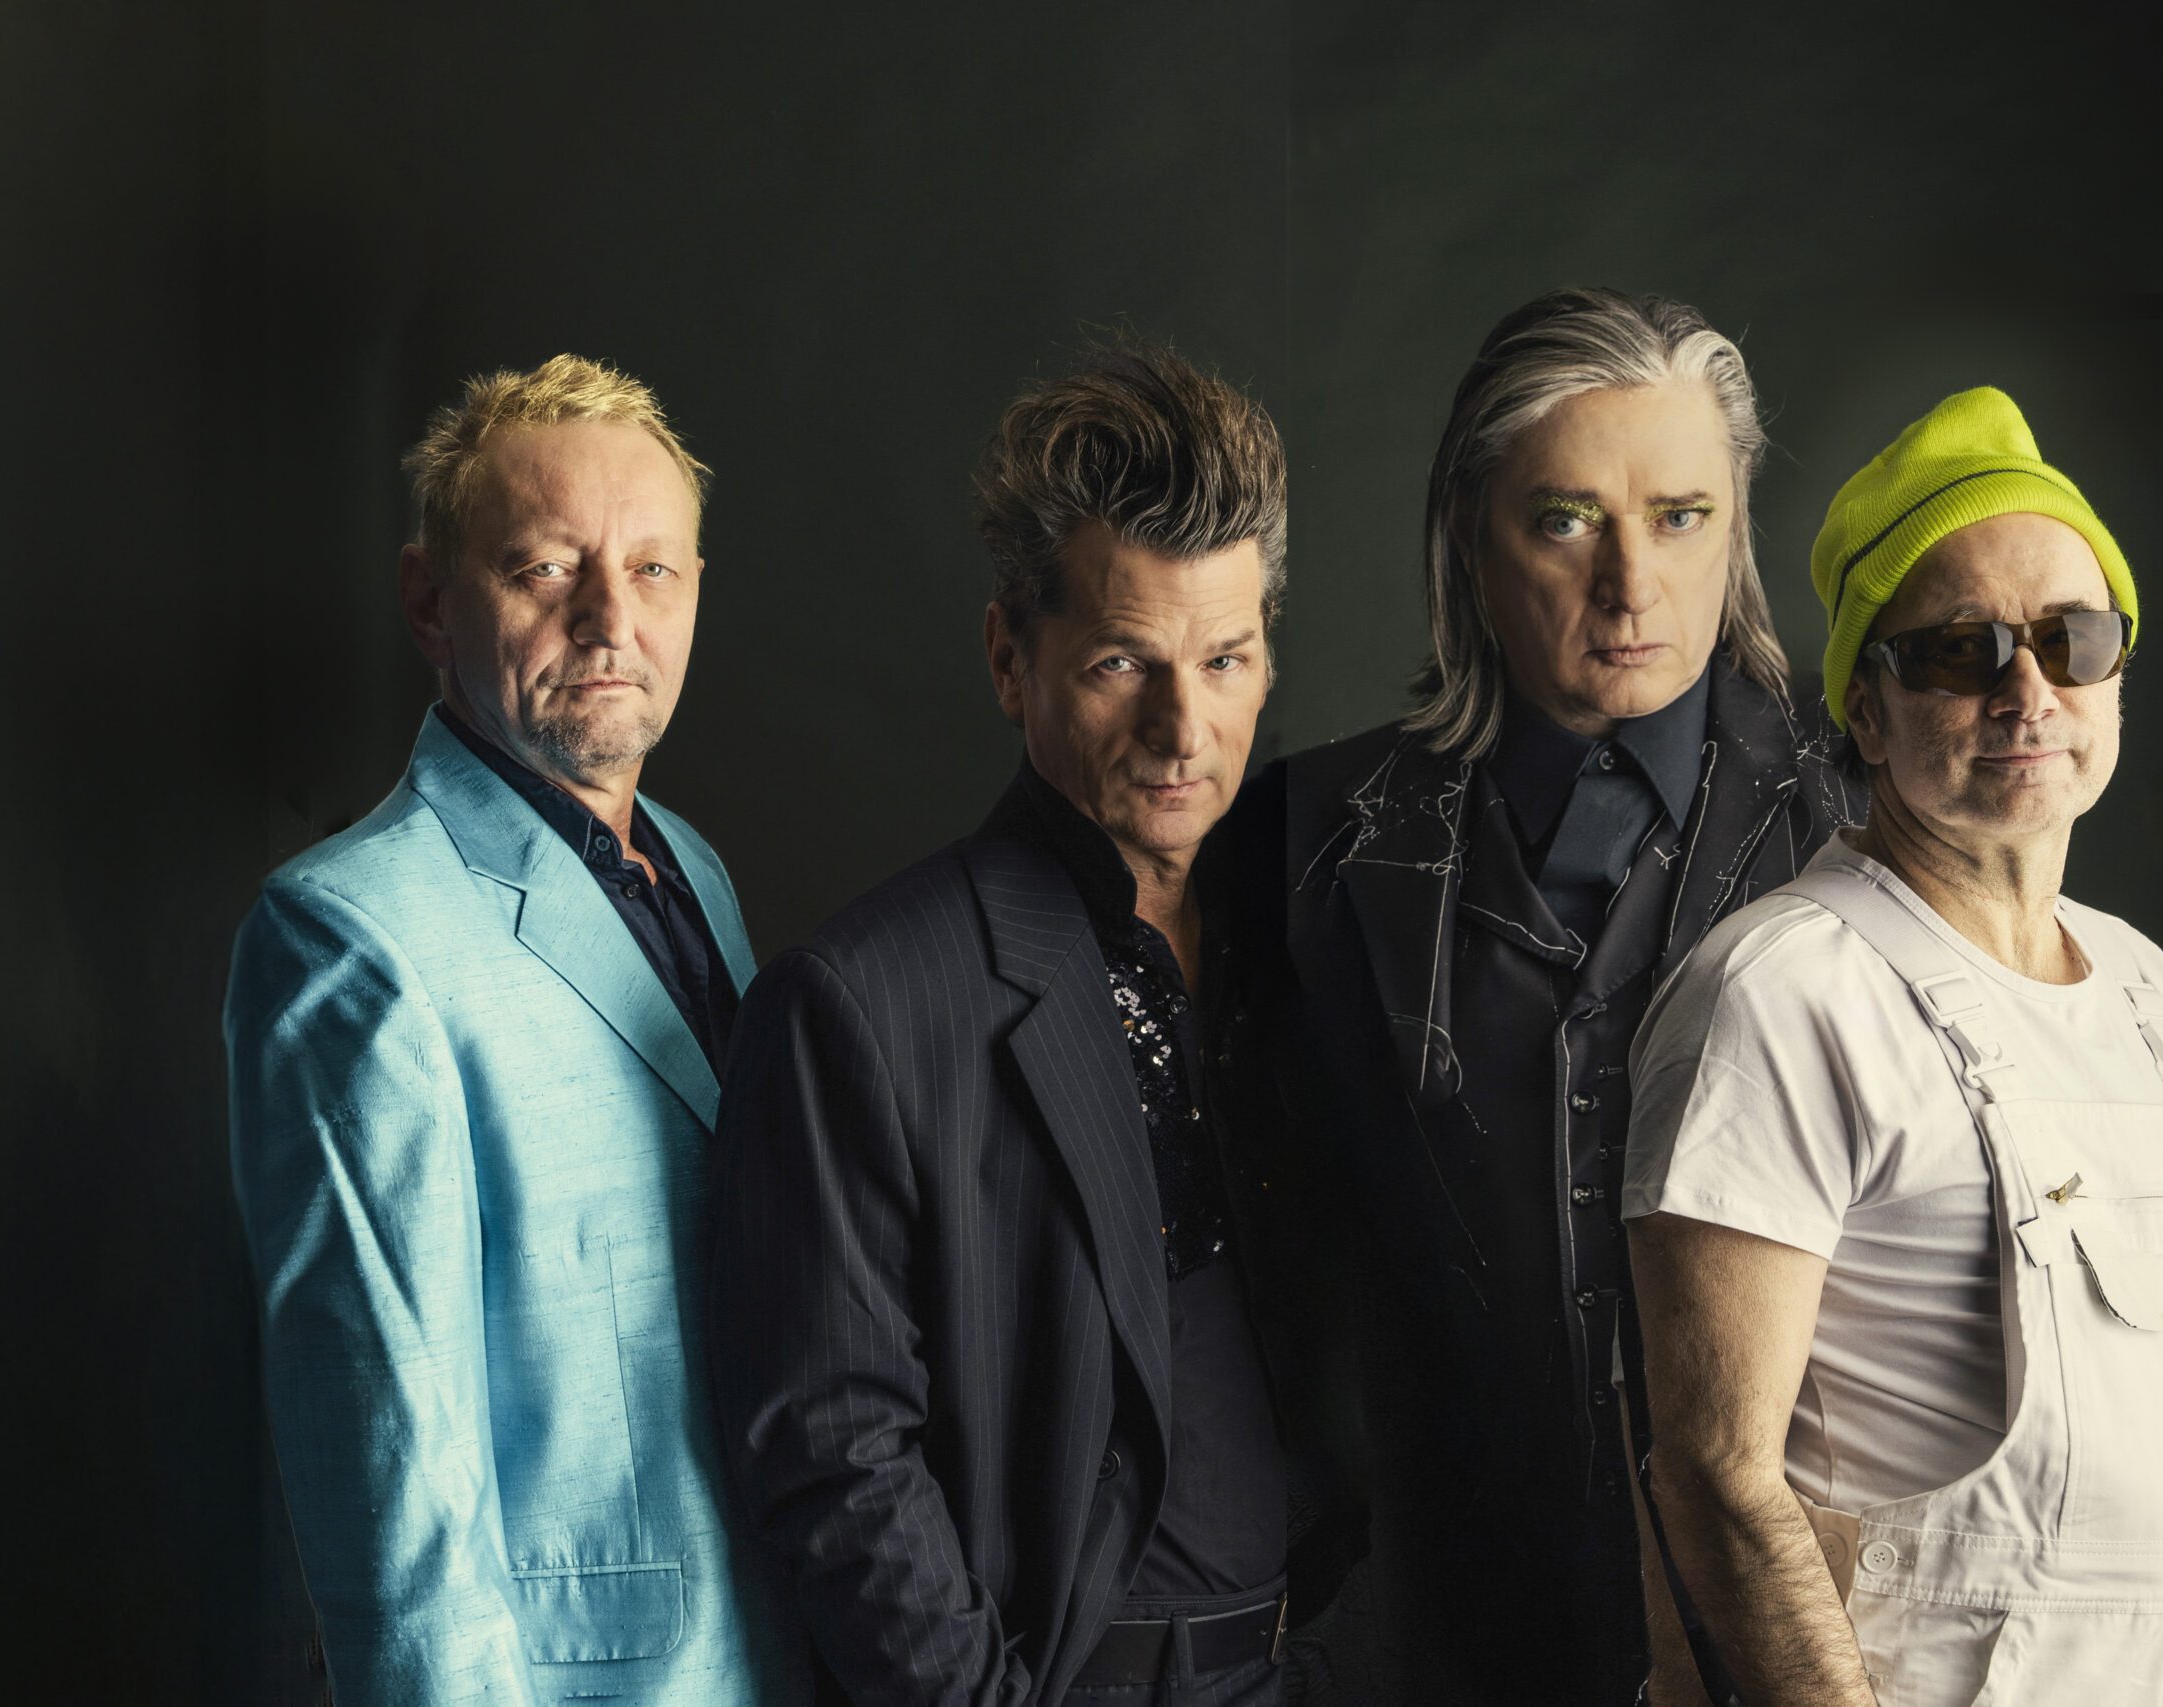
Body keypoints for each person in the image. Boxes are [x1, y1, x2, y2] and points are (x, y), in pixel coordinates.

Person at [710, 342, 1346, 1707]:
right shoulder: (859, 1004)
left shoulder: (1313, 939)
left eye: (1226, 659)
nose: (1184, 726)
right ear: (1012, 658)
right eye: (1123, 662)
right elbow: (834, 1460)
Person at [1259, 288, 1859, 1707]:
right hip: (1428, 1645)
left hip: (1807, 1636)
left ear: (1737, 528)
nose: (1630, 584)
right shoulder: (1303, 841)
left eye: (1681, 517)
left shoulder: (1867, 812)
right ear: (1471, 538)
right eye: (1567, 519)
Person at [1623, 387, 2163, 1704]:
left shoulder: (2145, 989)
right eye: (1962, 651)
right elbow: (1715, 1477)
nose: (2030, 692)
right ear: (1866, 710)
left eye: (2073, 640)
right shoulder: (1783, 992)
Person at [224, 355, 806, 1705]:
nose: (611, 618)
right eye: (546, 569)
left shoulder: (694, 871)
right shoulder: (348, 938)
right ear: (431, 601)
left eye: (652, 570)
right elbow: (394, 1493)